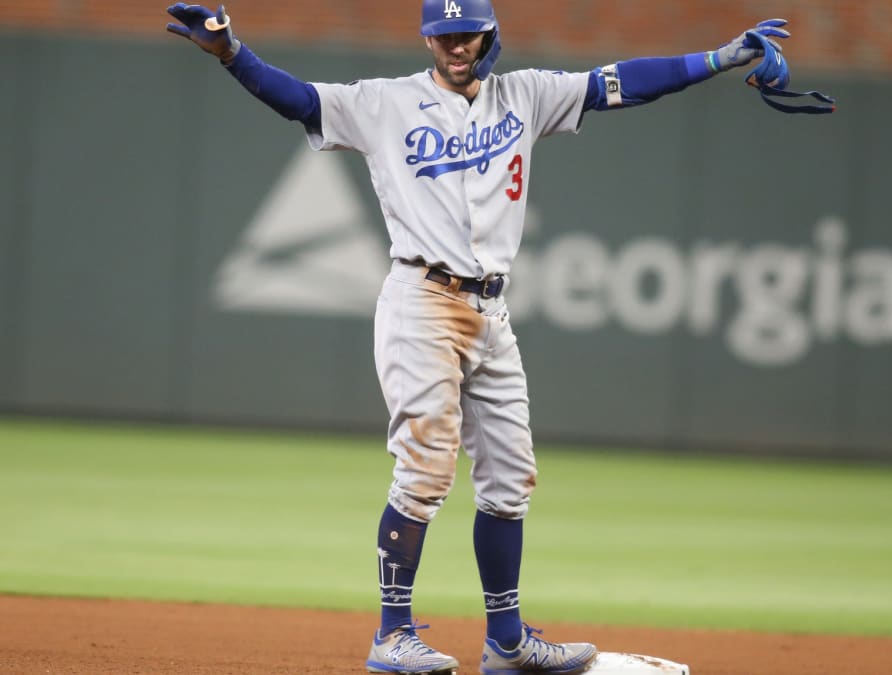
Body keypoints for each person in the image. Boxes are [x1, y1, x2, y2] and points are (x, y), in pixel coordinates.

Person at [165, 2, 790, 673]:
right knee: (426, 470)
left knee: (510, 481)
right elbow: (296, 98)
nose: (455, 46)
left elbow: (626, 81)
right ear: (428, 38)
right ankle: (392, 634)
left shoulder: (525, 94)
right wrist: (233, 53)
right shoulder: (385, 103)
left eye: (467, 34)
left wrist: (721, 60)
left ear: (490, 32)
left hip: (492, 313)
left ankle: (508, 641)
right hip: (421, 301)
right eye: (443, 35)